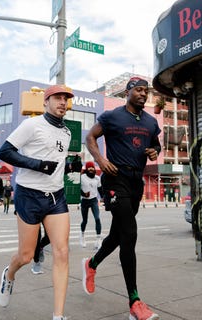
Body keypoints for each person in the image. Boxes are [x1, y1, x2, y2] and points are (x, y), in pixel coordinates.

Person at [82, 77, 161, 320]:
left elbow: (156, 147)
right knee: (130, 233)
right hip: (115, 180)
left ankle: (91, 264)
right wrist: (101, 160)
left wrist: (153, 152)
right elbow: (90, 137)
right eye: (138, 90)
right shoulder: (112, 116)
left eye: (145, 91)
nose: (143, 94)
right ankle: (135, 302)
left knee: (118, 235)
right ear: (127, 93)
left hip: (136, 183)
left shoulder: (149, 121)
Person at [0, 84, 75, 320]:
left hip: (56, 197)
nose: (63, 102)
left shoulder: (67, 132)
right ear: (46, 101)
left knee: (62, 252)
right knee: (26, 256)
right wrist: (37, 164)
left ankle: (58, 316)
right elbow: (5, 152)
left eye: (66, 99)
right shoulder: (32, 124)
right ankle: (8, 275)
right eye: (58, 98)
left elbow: (57, 163)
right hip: (29, 195)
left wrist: (70, 167)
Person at [79, 161, 104, 249]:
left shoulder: (97, 178)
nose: (91, 169)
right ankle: (82, 236)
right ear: (86, 169)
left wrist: (103, 197)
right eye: (89, 168)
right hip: (85, 201)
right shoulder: (82, 177)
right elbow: (78, 189)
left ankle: (98, 240)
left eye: (92, 168)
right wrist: (83, 194)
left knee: (97, 218)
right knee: (84, 220)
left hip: (94, 200)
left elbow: (100, 189)